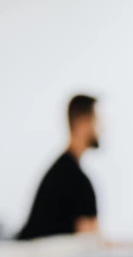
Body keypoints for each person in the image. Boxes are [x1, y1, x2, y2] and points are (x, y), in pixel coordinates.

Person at [17, 95, 100, 241]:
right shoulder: (76, 180)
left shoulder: (63, 170)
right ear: (83, 123)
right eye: (97, 121)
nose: (102, 128)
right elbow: (95, 242)